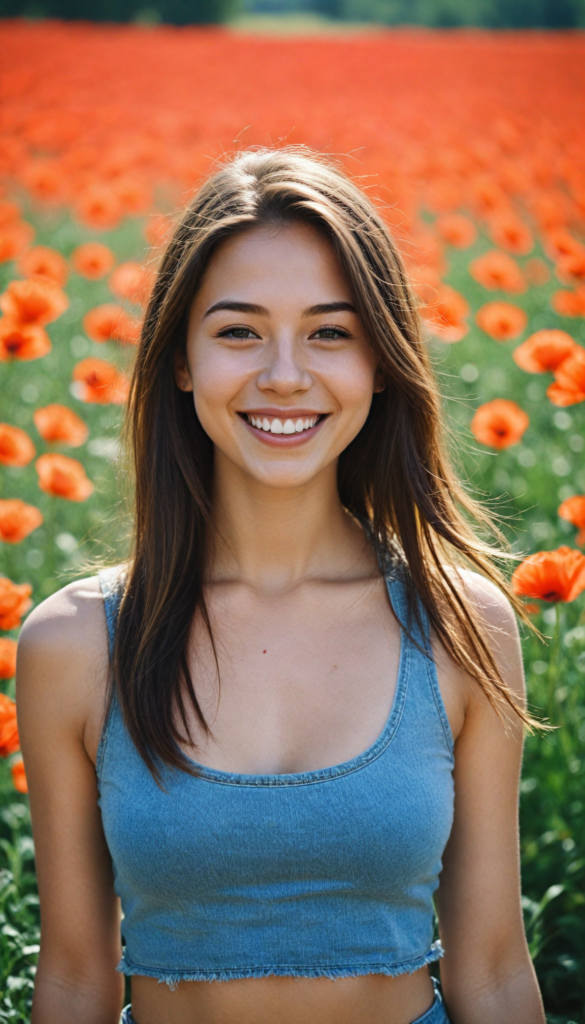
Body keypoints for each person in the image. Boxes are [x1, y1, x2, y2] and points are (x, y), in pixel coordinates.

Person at [17, 147, 546, 1024]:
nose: (286, 375)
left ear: (381, 362)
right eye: (238, 331)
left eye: (330, 332)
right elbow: (75, 977)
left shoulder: (461, 624)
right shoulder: (75, 644)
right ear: (179, 360)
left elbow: (490, 968)